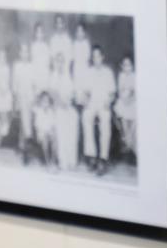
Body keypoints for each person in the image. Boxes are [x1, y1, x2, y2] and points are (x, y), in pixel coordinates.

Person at [80, 45, 117, 175]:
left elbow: (112, 93)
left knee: (105, 123)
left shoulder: (108, 72)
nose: (96, 59)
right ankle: (92, 156)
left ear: (102, 57)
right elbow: (86, 92)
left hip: (104, 103)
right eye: (94, 56)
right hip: (92, 102)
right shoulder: (89, 72)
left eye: (98, 56)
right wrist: (85, 100)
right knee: (85, 117)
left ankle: (103, 158)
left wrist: (109, 102)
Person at [49, 52, 79, 171]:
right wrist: (62, 103)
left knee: (73, 119)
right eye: (58, 61)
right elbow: (52, 93)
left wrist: (68, 102)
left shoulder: (68, 76)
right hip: (57, 108)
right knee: (61, 129)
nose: (60, 64)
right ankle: (63, 161)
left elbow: (72, 93)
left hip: (68, 106)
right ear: (55, 63)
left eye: (62, 61)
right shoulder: (53, 76)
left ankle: (72, 160)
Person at [0, 47, 15, 164]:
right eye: (0, 57)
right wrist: (0, 89)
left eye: (4, 57)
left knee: (5, 120)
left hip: (6, 93)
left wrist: (6, 89)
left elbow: (8, 81)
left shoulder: (7, 68)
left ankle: (0, 137)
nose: (2, 59)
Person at [115, 54, 137, 161]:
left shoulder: (135, 76)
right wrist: (124, 99)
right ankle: (127, 139)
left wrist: (130, 99)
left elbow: (135, 92)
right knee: (122, 116)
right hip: (123, 100)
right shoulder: (121, 76)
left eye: (129, 65)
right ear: (122, 66)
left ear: (132, 66)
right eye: (124, 65)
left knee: (134, 119)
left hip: (133, 101)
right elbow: (119, 91)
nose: (126, 67)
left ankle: (128, 140)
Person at [32, 91, 57, 168]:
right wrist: (43, 131)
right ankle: (47, 162)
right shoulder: (38, 110)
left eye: (47, 101)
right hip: (41, 131)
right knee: (45, 142)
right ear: (41, 101)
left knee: (54, 141)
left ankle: (53, 161)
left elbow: (53, 123)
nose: (45, 103)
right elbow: (37, 124)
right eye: (43, 101)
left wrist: (51, 131)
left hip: (49, 131)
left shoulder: (51, 111)